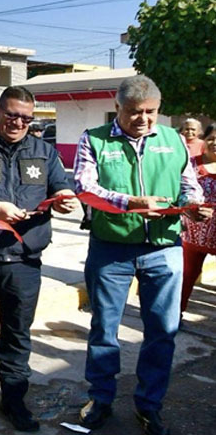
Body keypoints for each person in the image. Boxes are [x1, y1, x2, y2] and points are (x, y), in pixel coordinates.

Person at [73, 75, 210, 435]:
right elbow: (86, 188)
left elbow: (187, 184)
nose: (143, 119)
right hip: (111, 247)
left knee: (162, 332)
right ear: (118, 108)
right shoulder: (95, 140)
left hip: (164, 249)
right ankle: (100, 399)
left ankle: (150, 405)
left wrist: (193, 206)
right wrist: (130, 204)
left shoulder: (174, 139)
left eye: (150, 112)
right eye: (134, 112)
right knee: (104, 330)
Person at [0, 86, 77, 432]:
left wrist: (64, 197)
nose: (18, 122)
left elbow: (59, 186)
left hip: (24, 262)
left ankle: (14, 397)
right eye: (12, 115)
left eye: (25, 117)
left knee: (17, 333)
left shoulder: (44, 151)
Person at [180, 123, 216, 315]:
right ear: (204, 140)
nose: (215, 143)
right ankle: (173, 316)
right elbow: (179, 190)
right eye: (211, 138)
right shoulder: (191, 164)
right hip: (193, 237)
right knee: (185, 278)